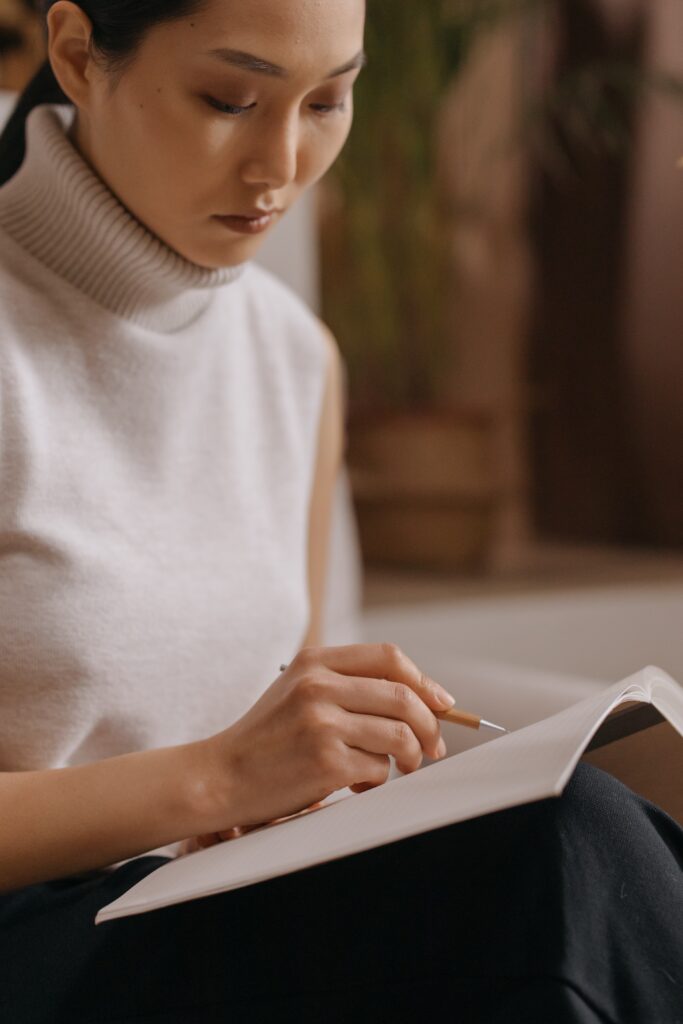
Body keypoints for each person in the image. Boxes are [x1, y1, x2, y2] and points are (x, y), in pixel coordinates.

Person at [0, 3, 680, 1022]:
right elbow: (229, 770)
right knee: (562, 852)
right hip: (33, 942)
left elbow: (287, 736)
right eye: (228, 99)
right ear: (75, 54)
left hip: (203, 910)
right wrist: (218, 777)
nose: (281, 163)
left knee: (585, 833)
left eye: (327, 99)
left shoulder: (292, 359)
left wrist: (324, 774)